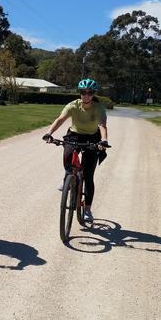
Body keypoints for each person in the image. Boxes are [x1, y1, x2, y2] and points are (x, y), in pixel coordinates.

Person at [43, 78, 109, 222]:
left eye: (90, 93)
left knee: (88, 176)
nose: (86, 95)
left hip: (92, 137)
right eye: (83, 92)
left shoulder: (98, 107)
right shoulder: (73, 105)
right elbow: (60, 119)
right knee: (67, 155)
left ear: (93, 94)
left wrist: (103, 140)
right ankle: (67, 177)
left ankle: (87, 210)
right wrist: (49, 133)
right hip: (74, 135)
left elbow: (102, 124)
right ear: (80, 93)